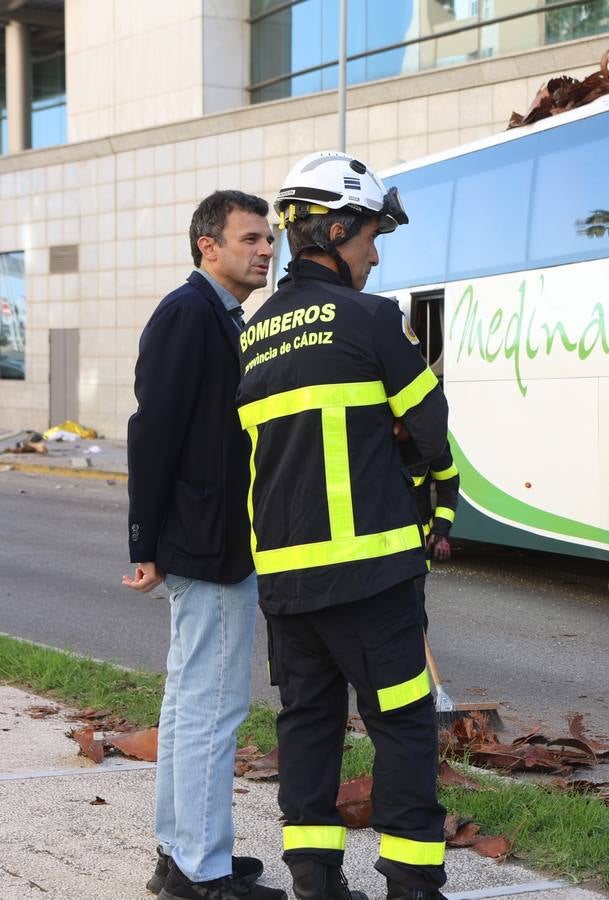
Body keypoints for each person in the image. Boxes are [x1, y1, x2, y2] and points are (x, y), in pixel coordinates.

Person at [237, 151, 450, 900]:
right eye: (370, 237)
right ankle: (412, 882)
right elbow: (431, 428)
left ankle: (315, 882)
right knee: (403, 723)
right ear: (335, 231)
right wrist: (409, 451)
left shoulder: (254, 335)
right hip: (372, 577)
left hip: (286, 584)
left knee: (308, 725)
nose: (375, 254)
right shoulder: (372, 318)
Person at [125, 191, 285, 900]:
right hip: (209, 545)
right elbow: (152, 430)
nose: (266, 249)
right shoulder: (188, 313)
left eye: (269, 238)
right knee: (212, 707)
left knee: (191, 702)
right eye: (250, 238)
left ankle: (179, 854)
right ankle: (201, 869)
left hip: (211, 540)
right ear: (207, 247)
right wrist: (145, 540)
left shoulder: (221, 317)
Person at [407, 441, 459, 566]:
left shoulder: (431, 438)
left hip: (417, 547)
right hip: (372, 551)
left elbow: (448, 485)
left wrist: (440, 531)